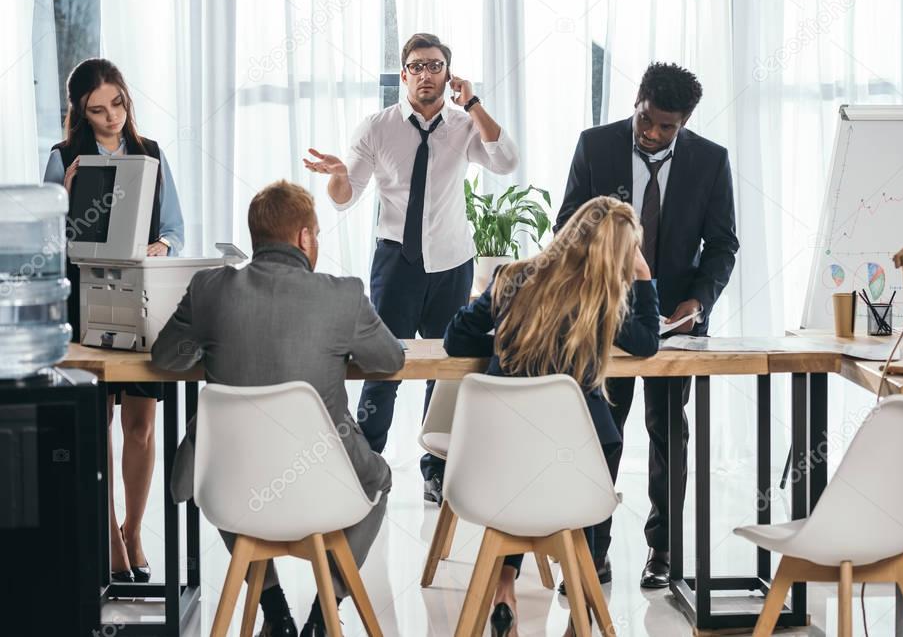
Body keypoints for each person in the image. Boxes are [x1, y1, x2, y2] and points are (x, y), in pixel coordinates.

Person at [152, 181, 404, 637]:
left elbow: (166, 358)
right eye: (318, 235)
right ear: (306, 238)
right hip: (326, 484)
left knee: (221, 479)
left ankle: (274, 610)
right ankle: (325, 614)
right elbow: (391, 361)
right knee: (380, 481)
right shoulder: (343, 295)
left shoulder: (209, 290)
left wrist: (213, 345)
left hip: (237, 488)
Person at [302, 32, 520, 506]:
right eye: (417, 66)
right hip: (396, 262)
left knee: (446, 369)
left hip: (451, 263)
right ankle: (367, 467)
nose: (426, 74)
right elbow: (344, 199)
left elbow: (507, 161)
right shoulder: (377, 128)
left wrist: (475, 102)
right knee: (382, 365)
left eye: (435, 65)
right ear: (404, 75)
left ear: (449, 74)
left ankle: (435, 470)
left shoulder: (465, 125)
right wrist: (339, 175)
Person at [555, 63, 739, 589]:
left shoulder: (710, 161)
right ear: (636, 101)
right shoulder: (596, 146)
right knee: (599, 434)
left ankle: (663, 550)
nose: (653, 133)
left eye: (666, 127)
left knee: (667, 433)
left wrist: (697, 302)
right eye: (647, 120)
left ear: (684, 122)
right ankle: (594, 548)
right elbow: (568, 223)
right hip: (604, 319)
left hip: (676, 325)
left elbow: (723, 244)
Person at [443, 197, 660, 637]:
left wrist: (511, 343)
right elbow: (648, 342)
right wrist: (644, 276)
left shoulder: (511, 277)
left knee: (526, 469)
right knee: (598, 455)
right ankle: (582, 601)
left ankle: (504, 584)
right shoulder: (601, 301)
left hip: (498, 471)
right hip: (571, 482)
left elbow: (455, 339)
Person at [43, 57, 185, 584]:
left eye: (117, 105)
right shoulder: (62, 157)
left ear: (127, 98)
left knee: (141, 424)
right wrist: (63, 194)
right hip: (87, 300)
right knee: (97, 421)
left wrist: (162, 245)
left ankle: (133, 529)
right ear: (81, 112)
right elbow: (47, 243)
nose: (111, 119)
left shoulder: (151, 154)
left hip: (141, 297)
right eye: (97, 110)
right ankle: (106, 533)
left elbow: (175, 227)